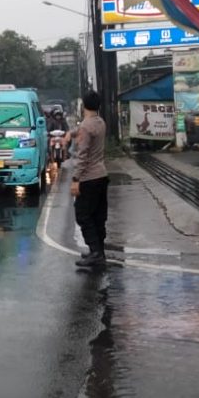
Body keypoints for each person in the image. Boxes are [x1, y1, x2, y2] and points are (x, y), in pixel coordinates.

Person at [72, 90, 109, 269]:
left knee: (83, 215)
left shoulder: (86, 126)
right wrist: (71, 134)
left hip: (88, 178)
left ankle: (95, 253)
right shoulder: (100, 122)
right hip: (102, 175)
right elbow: (83, 133)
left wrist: (75, 179)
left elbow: (82, 155)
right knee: (98, 216)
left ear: (83, 105)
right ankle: (99, 250)